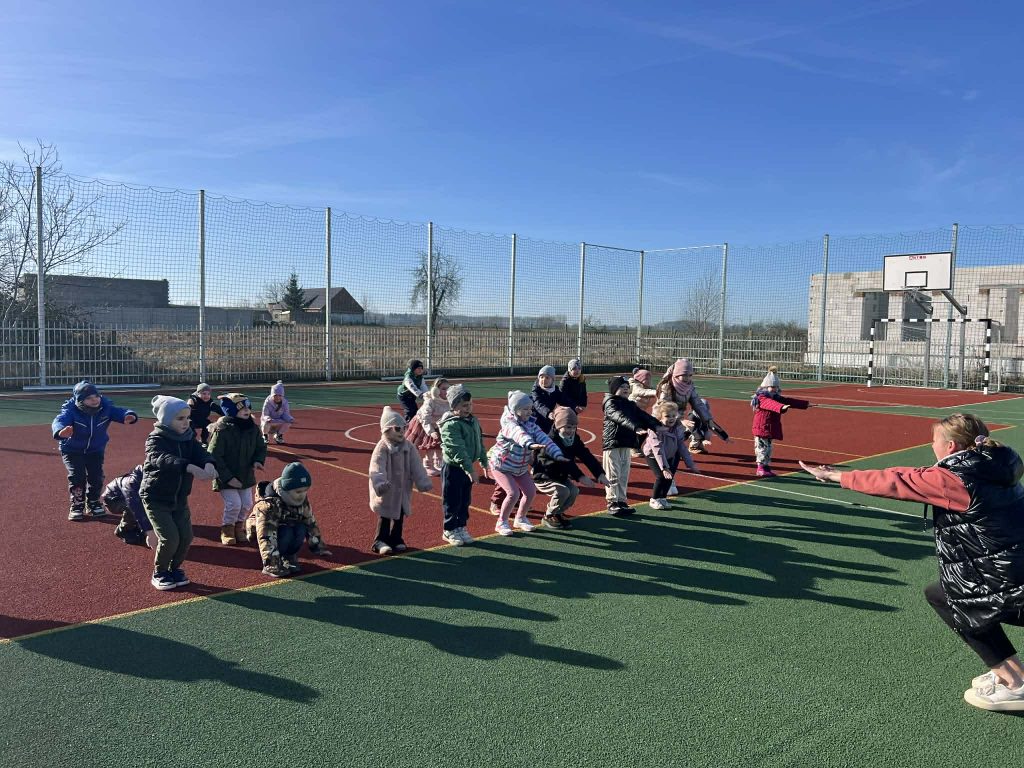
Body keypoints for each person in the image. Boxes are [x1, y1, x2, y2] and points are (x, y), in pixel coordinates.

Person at [800, 413, 1024, 713]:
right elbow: (914, 475)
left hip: (1004, 578)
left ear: (951, 446)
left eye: (934, 441)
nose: (932, 446)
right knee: (948, 595)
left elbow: (896, 482)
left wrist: (834, 476)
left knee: (954, 600)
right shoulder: (993, 463)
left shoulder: (956, 479)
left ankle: (1015, 683)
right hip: (1010, 568)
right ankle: (1011, 674)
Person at [140, 396, 216, 590]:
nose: (186, 422)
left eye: (187, 418)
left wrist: (208, 463)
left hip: (179, 498)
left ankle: (174, 569)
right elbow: (160, 458)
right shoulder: (156, 439)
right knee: (170, 538)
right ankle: (160, 572)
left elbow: (200, 452)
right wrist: (188, 466)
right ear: (166, 420)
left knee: (186, 536)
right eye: (180, 418)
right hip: (156, 497)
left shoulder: (188, 437)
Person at [51, 380, 138, 521]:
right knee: (77, 476)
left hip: (95, 450)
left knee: (96, 476)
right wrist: (61, 431)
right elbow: (59, 421)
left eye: (96, 396)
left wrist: (128, 415)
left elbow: (119, 412)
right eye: (89, 398)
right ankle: (77, 504)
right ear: (80, 401)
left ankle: (93, 501)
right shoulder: (71, 411)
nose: (94, 400)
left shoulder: (105, 408)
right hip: (72, 450)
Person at [488, 390, 565, 536]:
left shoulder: (530, 424)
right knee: (513, 493)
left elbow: (543, 438)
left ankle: (520, 518)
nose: (529, 412)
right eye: (525, 409)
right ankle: (501, 522)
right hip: (501, 466)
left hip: (519, 466)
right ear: (515, 410)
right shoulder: (509, 424)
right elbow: (518, 434)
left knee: (530, 492)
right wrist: (529, 444)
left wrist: (557, 453)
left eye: (530, 408)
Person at [368, 407, 433, 555]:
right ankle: (380, 541)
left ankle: (396, 538)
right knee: (385, 514)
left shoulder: (408, 446)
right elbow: (376, 467)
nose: (401, 431)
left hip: (403, 488)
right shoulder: (382, 447)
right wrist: (379, 483)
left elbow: (416, 465)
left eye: (404, 428)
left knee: (400, 514)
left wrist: (423, 481)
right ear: (386, 429)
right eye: (397, 428)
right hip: (387, 489)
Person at [248, 462, 330, 577]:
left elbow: (310, 522)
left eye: (305, 490)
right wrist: (272, 565)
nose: (302, 495)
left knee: (300, 528)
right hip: (262, 533)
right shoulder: (268, 505)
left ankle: (288, 556)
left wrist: (318, 547)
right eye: (298, 492)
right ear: (286, 488)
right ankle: (274, 562)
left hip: (285, 525)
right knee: (286, 532)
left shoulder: (300, 499)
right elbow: (265, 536)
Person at [533, 406, 608, 529]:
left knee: (574, 491)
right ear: (558, 426)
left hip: (560, 475)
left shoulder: (573, 439)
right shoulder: (551, 440)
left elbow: (585, 455)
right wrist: (580, 476)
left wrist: (599, 473)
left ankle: (558, 513)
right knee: (563, 491)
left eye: (574, 427)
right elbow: (566, 462)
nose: (571, 430)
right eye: (568, 427)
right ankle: (549, 515)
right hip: (544, 476)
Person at [208, 393, 267, 546]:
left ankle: (238, 527)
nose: (246, 411)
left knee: (246, 504)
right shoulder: (223, 430)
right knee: (234, 504)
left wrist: (258, 460)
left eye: (248, 407)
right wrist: (228, 478)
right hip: (226, 476)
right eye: (241, 408)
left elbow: (260, 447)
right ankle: (227, 529)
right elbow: (214, 455)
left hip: (245, 475)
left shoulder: (252, 428)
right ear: (232, 411)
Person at [603, 376, 663, 516]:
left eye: (626, 387)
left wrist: (657, 425)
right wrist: (635, 427)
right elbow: (618, 417)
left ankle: (621, 501)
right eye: (622, 387)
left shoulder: (630, 404)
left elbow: (643, 416)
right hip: (613, 443)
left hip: (626, 443)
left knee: (623, 474)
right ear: (614, 389)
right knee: (613, 474)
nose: (625, 389)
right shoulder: (610, 402)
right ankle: (612, 502)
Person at [439, 384, 488, 546]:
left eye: (470, 404)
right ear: (454, 406)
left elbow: (479, 441)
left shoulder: (473, 420)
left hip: (467, 468)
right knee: (452, 500)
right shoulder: (450, 425)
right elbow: (457, 449)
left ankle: (461, 526)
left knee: (465, 500)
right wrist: (470, 470)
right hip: (454, 468)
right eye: (464, 405)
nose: (468, 408)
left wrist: (483, 460)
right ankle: (449, 529)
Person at [656, 358, 730, 455]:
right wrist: (680, 420)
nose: (687, 378)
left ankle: (693, 442)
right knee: (667, 441)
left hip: (679, 416)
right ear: (677, 374)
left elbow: (698, 404)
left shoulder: (689, 387)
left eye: (690, 375)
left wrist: (709, 420)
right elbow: (663, 406)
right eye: (684, 375)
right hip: (665, 416)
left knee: (702, 410)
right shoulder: (667, 387)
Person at [751, 365, 811, 477]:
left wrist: (805, 404)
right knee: (762, 449)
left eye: (776, 387)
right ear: (765, 387)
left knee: (768, 449)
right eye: (772, 387)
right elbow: (771, 404)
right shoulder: (761, 398)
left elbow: (789, 401)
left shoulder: (776, 397)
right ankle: (760, 468)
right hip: (761, 428)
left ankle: (766, 467)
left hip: (769, 428)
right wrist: (781, 407)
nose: (774, 389)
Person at [642, 401, 696, 509]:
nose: (671, 418)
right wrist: (664, 467)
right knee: (661, 476)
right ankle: (654, 499)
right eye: (667, 416)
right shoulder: (655, 429)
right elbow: (657, 449)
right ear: (660, 417)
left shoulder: (677, 427)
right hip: (654, 455)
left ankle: (662, 498)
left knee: (669, 477)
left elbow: (681, 445)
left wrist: (690, 463)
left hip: (671, 454)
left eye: (673, 416)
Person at [101, 465, 156, 548]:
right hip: (112, 500)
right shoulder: (130, 483)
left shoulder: (147, 478)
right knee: (134, 507)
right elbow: (135, 506)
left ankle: (137, 527)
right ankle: (123, 530)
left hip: (126, 497)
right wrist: (149, 532)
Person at [404, 377, 450, 476]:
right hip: (425, 424)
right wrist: (431, 431)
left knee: (440, 445)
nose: (446, 391)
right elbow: (425, 418)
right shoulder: (430, 401)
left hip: (439, 424)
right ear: (436, 390)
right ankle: (428, 464)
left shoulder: (449, 401)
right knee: (430, 446)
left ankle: (438, 462)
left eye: (448, 388)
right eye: (443, 389)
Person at [532, 365, 573, 434]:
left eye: (547, 377)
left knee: (549, 436)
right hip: (536, 420)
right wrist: (548, 413)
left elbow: (564, 400)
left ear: (552, 379)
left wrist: (573, 407)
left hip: (548, 421)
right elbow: (538, 404)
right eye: (541, 377)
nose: (544, 380)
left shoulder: (555, 390)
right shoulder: (536, 391)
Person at [260, 380, 296, 444]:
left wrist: (290, 419)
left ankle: (278, 435)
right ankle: (265, 436)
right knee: (265, 422)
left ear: (282, 396)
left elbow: (285, 413)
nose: (278, 397)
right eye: (275, 395)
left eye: (280, 395)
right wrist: (268, 418)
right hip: (269, 422)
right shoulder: (267, 402)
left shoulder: (285, 402)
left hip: (278, 421)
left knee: (288, 422)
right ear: (272, 395)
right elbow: (265, 414)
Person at [397, 358, 429, 422]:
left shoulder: (420, 377)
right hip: (404, 396)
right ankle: (407, 423)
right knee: (409, 410)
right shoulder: (408, 377)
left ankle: (413, 423)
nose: (420, 370)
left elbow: (423, 386)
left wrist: (428, 394)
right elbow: (412, 388)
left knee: (415, 410)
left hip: (412, 396)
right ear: (413, 369)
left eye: (421, 368)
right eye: (418, 368)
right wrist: (421, 395)